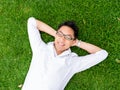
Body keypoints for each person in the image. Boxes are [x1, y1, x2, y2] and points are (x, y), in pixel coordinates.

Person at [22, 17, 108, 90]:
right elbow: (32, 22)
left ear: (73, 41)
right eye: (60, 34)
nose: (62, 40)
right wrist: (56, 35)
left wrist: (77, 43)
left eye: (67, 37)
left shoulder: (72, 62)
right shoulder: (40, 48)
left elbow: (102, 54)